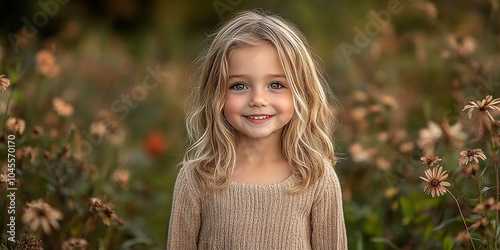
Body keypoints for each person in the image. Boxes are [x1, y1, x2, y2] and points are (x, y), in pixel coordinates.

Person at [167, 9, 347, 249]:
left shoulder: (316, 178)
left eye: (276, 84)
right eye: (239, 85)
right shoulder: (196, 179)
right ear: (215, 94)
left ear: (301, 92)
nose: (258, 99)